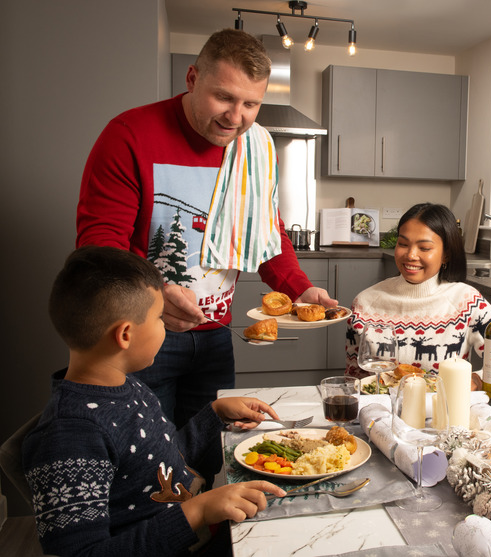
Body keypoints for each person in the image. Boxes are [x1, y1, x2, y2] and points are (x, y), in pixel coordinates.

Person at [76, 28, 336, 429]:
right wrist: (156, 296)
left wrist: (299, 290)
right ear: (193, 79)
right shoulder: (130, 136)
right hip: (141, 333)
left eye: (252, 103)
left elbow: (268, 233)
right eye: (224, 97)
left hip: (215, 334)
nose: (237, 117)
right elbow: (99, 248)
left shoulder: (258, 147)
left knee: (206, 451)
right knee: (148, 459)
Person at [22, 246, 285, 557]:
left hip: (201, 526)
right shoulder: (68, 436)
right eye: (160, 317)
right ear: (125, 335)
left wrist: (213, 415)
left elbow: (160, 465)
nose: (165, 326)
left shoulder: (126, 385)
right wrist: (197, 512)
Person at [346, 203, 491, 397]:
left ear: (446, 254)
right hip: (381, 418)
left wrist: (479, 379)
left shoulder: (466, 302)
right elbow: (353, 380)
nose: (411, 255)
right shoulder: (365, 304)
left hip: (445, 419)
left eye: (424, 247)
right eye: (403, 244)